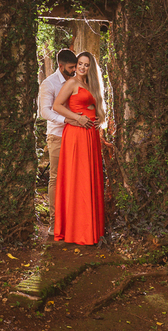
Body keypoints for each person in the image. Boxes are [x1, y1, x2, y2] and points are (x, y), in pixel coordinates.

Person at [52, 52, 105, 245]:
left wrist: (99, 120)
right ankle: (76, 230)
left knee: (88, 179)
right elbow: (57, 106)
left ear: (91, 67)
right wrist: (77, 118)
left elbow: (95, 108)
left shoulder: (92, 86)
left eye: (86, 64)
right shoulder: (72, 83)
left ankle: (90, 229)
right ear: (76, 66)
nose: (82, 67)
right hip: (76, 134)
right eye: (80, 64)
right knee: (78, 180)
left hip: (90, 136)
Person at [37, 48, 79, 212]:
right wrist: (65, 119)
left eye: (75, 66)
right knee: (56, 178)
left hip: (76, 135)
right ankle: (54, 220)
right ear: (61, 66)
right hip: (58, 136)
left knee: (75, 177)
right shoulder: (49, 83)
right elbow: (45, 111)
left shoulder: (76, 81)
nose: (74, 70)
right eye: (71, 67)